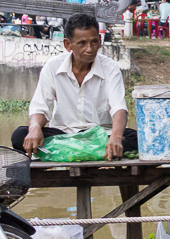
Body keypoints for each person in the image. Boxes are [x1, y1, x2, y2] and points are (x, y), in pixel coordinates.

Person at [13, 12, 137, 159]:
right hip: (64, 134)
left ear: (100, 40)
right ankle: (91, 152)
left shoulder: (110, 68)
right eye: (82, 43)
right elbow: (40, 107)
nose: (90, 49)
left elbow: (119, 108)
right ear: (68, 44)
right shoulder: (53, 67)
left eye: (94, 42)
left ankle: (70, 151)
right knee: (20, 136)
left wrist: (116, 137)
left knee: (140, 138)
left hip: (101, 134)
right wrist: (34, 128)